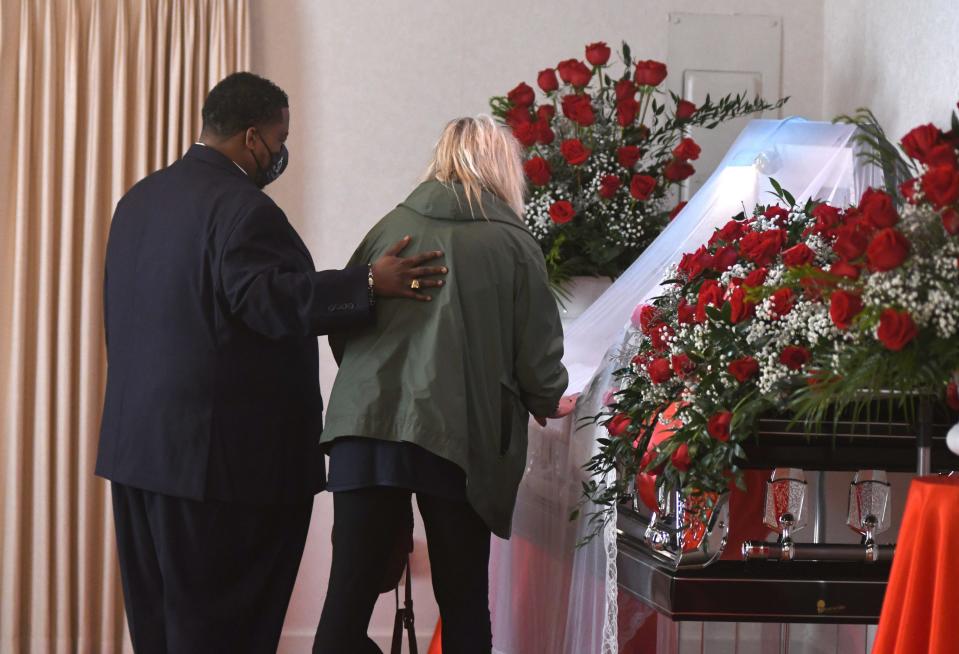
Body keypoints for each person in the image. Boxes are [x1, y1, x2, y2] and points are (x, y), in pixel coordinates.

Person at [96, 72, 447, 654]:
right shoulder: (241, 208)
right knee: (221, 632)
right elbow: (268, 300)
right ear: (254, 137)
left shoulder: (140, 199)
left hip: (138, 456)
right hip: (219, 471)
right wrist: (368, 282)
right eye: (280, 138)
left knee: (162, 630)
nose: (281, 153)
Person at [313, 115, 570, 654]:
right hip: (459, 435)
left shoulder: (391, 227)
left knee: (347, 599)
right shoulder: (512, 244)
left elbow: (345, 322)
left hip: (365, 426)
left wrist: (373, 393)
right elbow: (538, 354)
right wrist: (546, 398)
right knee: (463, 602)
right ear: (503, 167)